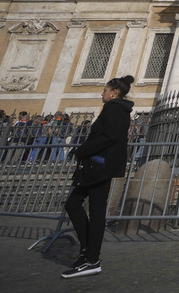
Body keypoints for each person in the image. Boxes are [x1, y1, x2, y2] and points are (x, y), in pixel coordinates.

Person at [62, 75, 135, 279]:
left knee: (94, 212)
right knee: (75, 205)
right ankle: (86, 251)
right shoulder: (118, 109)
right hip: (98, 166)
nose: (102, 93)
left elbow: (108, 136)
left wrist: (81, 150)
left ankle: (92, 259)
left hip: (99, 166)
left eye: (105, 90)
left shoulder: (114, 108)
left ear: (114, 92)